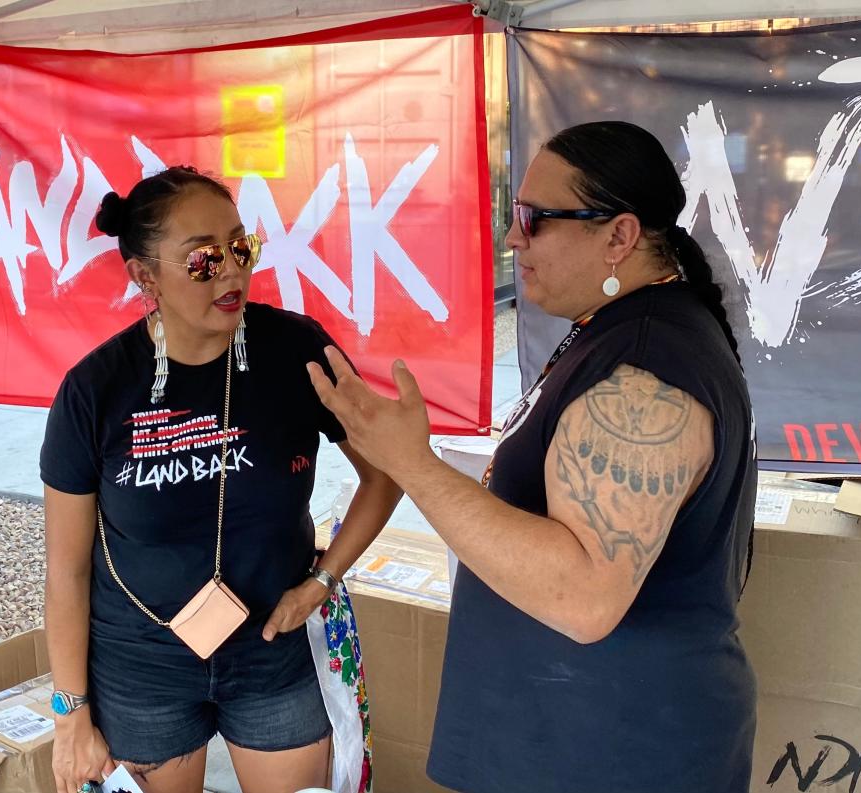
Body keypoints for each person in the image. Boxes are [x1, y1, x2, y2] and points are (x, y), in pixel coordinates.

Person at [308, 121, 758, 793]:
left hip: (611, 753)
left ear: (619, 235)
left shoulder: (646, 368)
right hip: (579, 739)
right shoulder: (624, 334)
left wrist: (415, 464)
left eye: (534, 219)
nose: (514, 238)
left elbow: (584, 594)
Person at [40, 166, 401, 793]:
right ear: (145, 276)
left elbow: (386, 474)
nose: (232, 271)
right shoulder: (95, 391)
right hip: (141, 663)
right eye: (203, 259)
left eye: (241, 247)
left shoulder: (296, 352)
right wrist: (71, 714)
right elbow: (66, 570)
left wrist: (321, 581)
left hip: (271, 649)